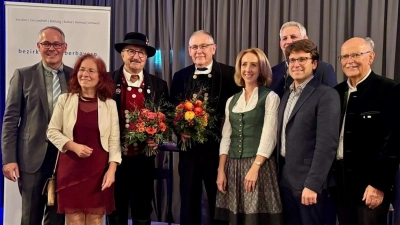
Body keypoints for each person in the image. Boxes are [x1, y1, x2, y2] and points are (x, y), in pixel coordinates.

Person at [170, 30, 241, 225]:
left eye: (203, 46)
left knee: (218, 202)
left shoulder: (230, 74)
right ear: (189, 51)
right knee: (188, 201)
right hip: (188, 152)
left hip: (218, 154)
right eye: (194, 47)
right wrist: (179, 129)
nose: (199, 51)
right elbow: (170, 111)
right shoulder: (180, 76)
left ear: (213, 48)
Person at [1, 26, 71, 225]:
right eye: (46, 43)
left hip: (63, 159)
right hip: (31, 159)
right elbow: (10, 120)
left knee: (56, 218)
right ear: (38, 46)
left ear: (64, 47)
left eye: (56, 44)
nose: (52, 48)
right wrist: (9, 159)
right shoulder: (23, 75)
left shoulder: (75, 76)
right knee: (30, 217)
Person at [46, 53, 121, 224]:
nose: (85, 74)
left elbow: (114, 141)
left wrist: (112, 170)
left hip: (99, 171)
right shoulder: (64, 100)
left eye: (91, 71)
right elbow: (52, 131)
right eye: (82, 70)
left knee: (95, 220)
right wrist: (73, 146)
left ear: (100, 77)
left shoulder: (110, 105)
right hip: (71, 170)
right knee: (74, 220)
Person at [333, 37, 400, 225]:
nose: (349, 60)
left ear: (371, 57)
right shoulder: (335, 93)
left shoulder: (390, 90)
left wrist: (379, 185)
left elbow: (394, 143)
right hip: (341, 186)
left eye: (356, 54)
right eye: (345, 56)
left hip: (371, 186)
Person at [214, 48, 283, 225]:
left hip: (258, 165)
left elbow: (269, 136)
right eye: (244, 64)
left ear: (261, 69)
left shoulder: (270, 97)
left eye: (254, 65)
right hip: (233, 166)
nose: (248, 69)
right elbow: (226, 138)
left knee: (256, 219)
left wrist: (255, 168)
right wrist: (221, 170)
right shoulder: (232, 100)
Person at [108, 32, 169, 225]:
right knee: (115, 206)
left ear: (147, 57)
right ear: (122, 54)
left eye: (141, 53)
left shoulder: (159, 85)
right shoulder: (108, 82)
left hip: (144, 159)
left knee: (142, 207)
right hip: (114, 159)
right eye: (131, 51)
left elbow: (167, 121)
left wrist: (157, 137)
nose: (136, 56)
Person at [277, 39, 340, 225]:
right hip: (285, 179)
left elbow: (326, 145)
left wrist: (312, 184)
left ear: (314, 63)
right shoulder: (287, 95)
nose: (296, 64)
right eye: (292, 60)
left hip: (309, 184)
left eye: (302, 59)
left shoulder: (326, 95)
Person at [270, 21, 337, 98]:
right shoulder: (273, 72)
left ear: (305, 39)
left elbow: (332, 100)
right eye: (284, 38)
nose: (288, 41)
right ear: (280, 44)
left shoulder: (324, 70)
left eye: (293, 37)